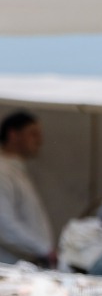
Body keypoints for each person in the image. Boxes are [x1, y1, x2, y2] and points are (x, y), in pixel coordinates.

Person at [0, 111, 54, 265]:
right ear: (13, 135)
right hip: (10, 270)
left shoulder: (15, 170)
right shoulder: (2, 171)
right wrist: (42, 249)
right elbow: (3, 224)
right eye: (33, 134)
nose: (39, 140)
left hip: (25, 268)